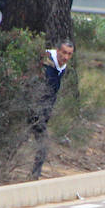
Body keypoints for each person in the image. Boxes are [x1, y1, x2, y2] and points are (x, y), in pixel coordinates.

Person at [29, 40, 75, 179]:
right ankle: (34, 176)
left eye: (69, 54)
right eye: (64, 52)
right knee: (43, 142)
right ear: (58, 51)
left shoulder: (62, 67)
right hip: (33, 109)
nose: (66, 57)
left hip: (44, 112)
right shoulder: (45, 62)